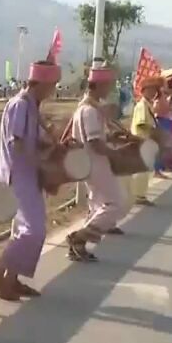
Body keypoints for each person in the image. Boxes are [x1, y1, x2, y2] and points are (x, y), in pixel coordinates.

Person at [0, 58, 60, 301]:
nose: (53, 90)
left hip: (28, 176)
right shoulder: (19, 105)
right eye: (52, 85)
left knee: (22, 231)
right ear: (42, 83)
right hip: (19, 177)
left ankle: (12, 280)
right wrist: (39, 163)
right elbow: (16, 143)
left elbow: (33, 139)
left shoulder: (32, 106)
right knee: (33, 230)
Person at [66, 64, 127, 261]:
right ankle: (79, 238)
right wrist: (114, 153)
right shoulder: (89, 111)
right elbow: (93, 142)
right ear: (99, 85)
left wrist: (110, 138)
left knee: (99, 204)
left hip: (91, 163)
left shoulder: (89, 108)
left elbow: (95, 139)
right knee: (115, 204)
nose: (110, 89)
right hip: (95, 163)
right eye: (108, 85)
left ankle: (79, 245)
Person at [131, 76, 163, 203]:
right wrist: (154, 132)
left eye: (154, 90)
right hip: (141, 141)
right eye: (149, 90)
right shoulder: (142, 106)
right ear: (143, 91)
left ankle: (140, 195)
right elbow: (142, 124)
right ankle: (137, 196)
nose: (152, 92)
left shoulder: (148, 105)